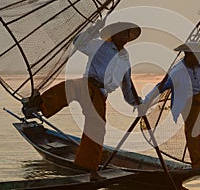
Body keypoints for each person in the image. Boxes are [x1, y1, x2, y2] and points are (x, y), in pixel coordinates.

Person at [22, 19, 142, 180]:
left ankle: (87, 167)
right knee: (68, 87)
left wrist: (136, 102)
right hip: (87, 83)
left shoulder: (125, 58)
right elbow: (78, 42)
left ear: (128, 37)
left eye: (125, 34)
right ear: (113, 35)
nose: (122, 37)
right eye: (119, 33)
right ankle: (36, 105)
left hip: (100, 94)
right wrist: (93, 29)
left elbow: (127, 84)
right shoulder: (100, 45)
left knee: (97, 129)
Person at [142, 41, 200, 168]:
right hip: (189, 102)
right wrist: (146, 102)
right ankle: (198, 163)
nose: (198, 58)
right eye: (195, 55)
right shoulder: (178, 71)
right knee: (193, 133)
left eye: (199, 55)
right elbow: (160, 87)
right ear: (187, 55)